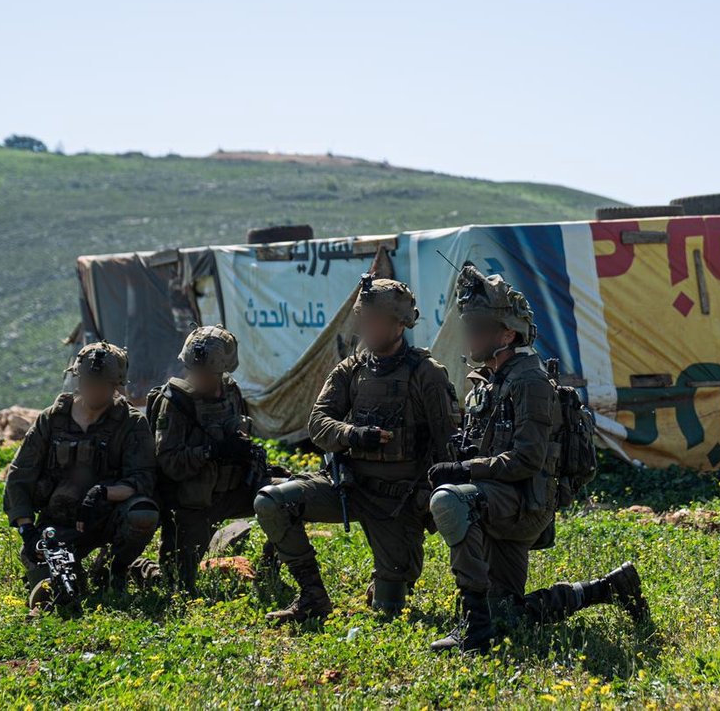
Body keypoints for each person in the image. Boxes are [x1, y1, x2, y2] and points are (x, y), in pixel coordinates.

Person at [426, 264, 648, 653]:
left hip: (523, 503)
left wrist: (464, 469)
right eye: (469, 326)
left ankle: (475, 628)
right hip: (496, 500)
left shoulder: (529, 381)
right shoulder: (488, 381)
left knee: (448, 500)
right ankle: (607, 589)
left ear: (507, 334)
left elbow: (526, 460)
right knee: (508, 616)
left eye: (479, 327)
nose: (470, 335)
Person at [254, 275, 458, 623]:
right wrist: (352, 434)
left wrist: (427, 500)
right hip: (348, 488)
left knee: (389, 609)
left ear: (400, 324)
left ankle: (386, 581)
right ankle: (313, 596)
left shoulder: (427, 374)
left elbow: (448, 446)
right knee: (271, 502)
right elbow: (318, 423)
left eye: (375, 320)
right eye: (363, 318)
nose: (366, 327)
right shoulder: (352, 370)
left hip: (397, 503)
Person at [2, 342, 160, 609]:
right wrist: (28, 531)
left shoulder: (131, 423)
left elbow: (143, 479)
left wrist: (102, 494)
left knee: (143, 513)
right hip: (60, 522)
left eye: (102, 385)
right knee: (53, 585)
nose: (93, 389)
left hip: (108, 518)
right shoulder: (51, 420)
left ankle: (115, 569)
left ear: (116, 385)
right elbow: (19, 477)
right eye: (88, 382)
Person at [150, 325, 267, 592]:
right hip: (192, 504)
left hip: (231, 492)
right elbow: (168, 462)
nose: (200, 377)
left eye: (208, 373)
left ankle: (269, 570)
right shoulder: (176, 401)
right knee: (176, 583)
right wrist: (212, 451)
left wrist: (245, 451)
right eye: (196, 370)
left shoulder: (231, 392)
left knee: (285, 498)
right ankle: (139, 568)